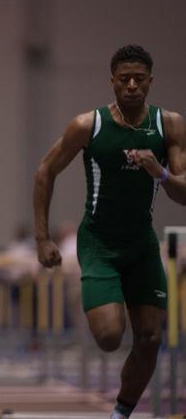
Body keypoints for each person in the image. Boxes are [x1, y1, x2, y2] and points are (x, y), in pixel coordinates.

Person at [33, 45, 186, 419]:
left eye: (139, 79)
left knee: (150, 338)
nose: (132, 86)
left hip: (142, 245)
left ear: (150, 81)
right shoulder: (89, 125)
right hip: (99, 243)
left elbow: (183, 193)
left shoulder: (170, 125)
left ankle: (121, 413)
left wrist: (160, 172)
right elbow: (45, 172)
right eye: (124, 80)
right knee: (109, 337)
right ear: (112, 82)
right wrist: (42, 238)